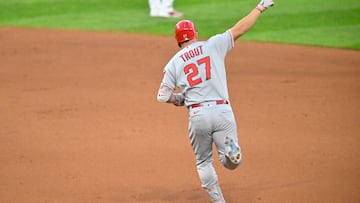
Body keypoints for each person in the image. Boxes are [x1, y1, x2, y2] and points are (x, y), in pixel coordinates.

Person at [156, 0, 274, 202]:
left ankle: (219, 201)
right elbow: (239, 29)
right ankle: (230, 151)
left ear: (177, 40)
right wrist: (259, 8)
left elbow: (162, 96)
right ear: (194, 34)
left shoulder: (173, 63)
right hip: (222, 111)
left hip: (198, 114)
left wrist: (180, 100)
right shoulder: (213, 44)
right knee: (230, 164)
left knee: (203, 162)